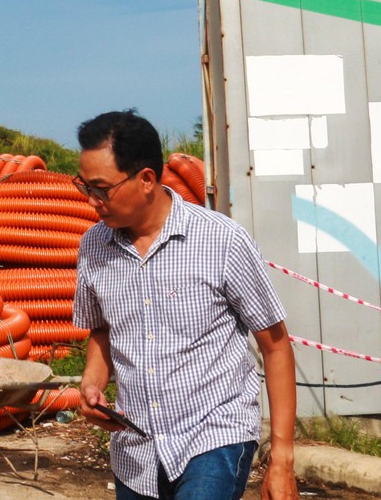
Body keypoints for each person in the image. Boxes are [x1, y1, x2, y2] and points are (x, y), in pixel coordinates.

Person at [70, 110, 296, 500]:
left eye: (101, 188)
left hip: (214, 435)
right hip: (136, 448)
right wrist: (92, 384)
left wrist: (282, 460)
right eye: (84, 187)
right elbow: (102, 330)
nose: (92, 201)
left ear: (145, 179)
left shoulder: (221, 241)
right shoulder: (94, 247)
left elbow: (275, 346)